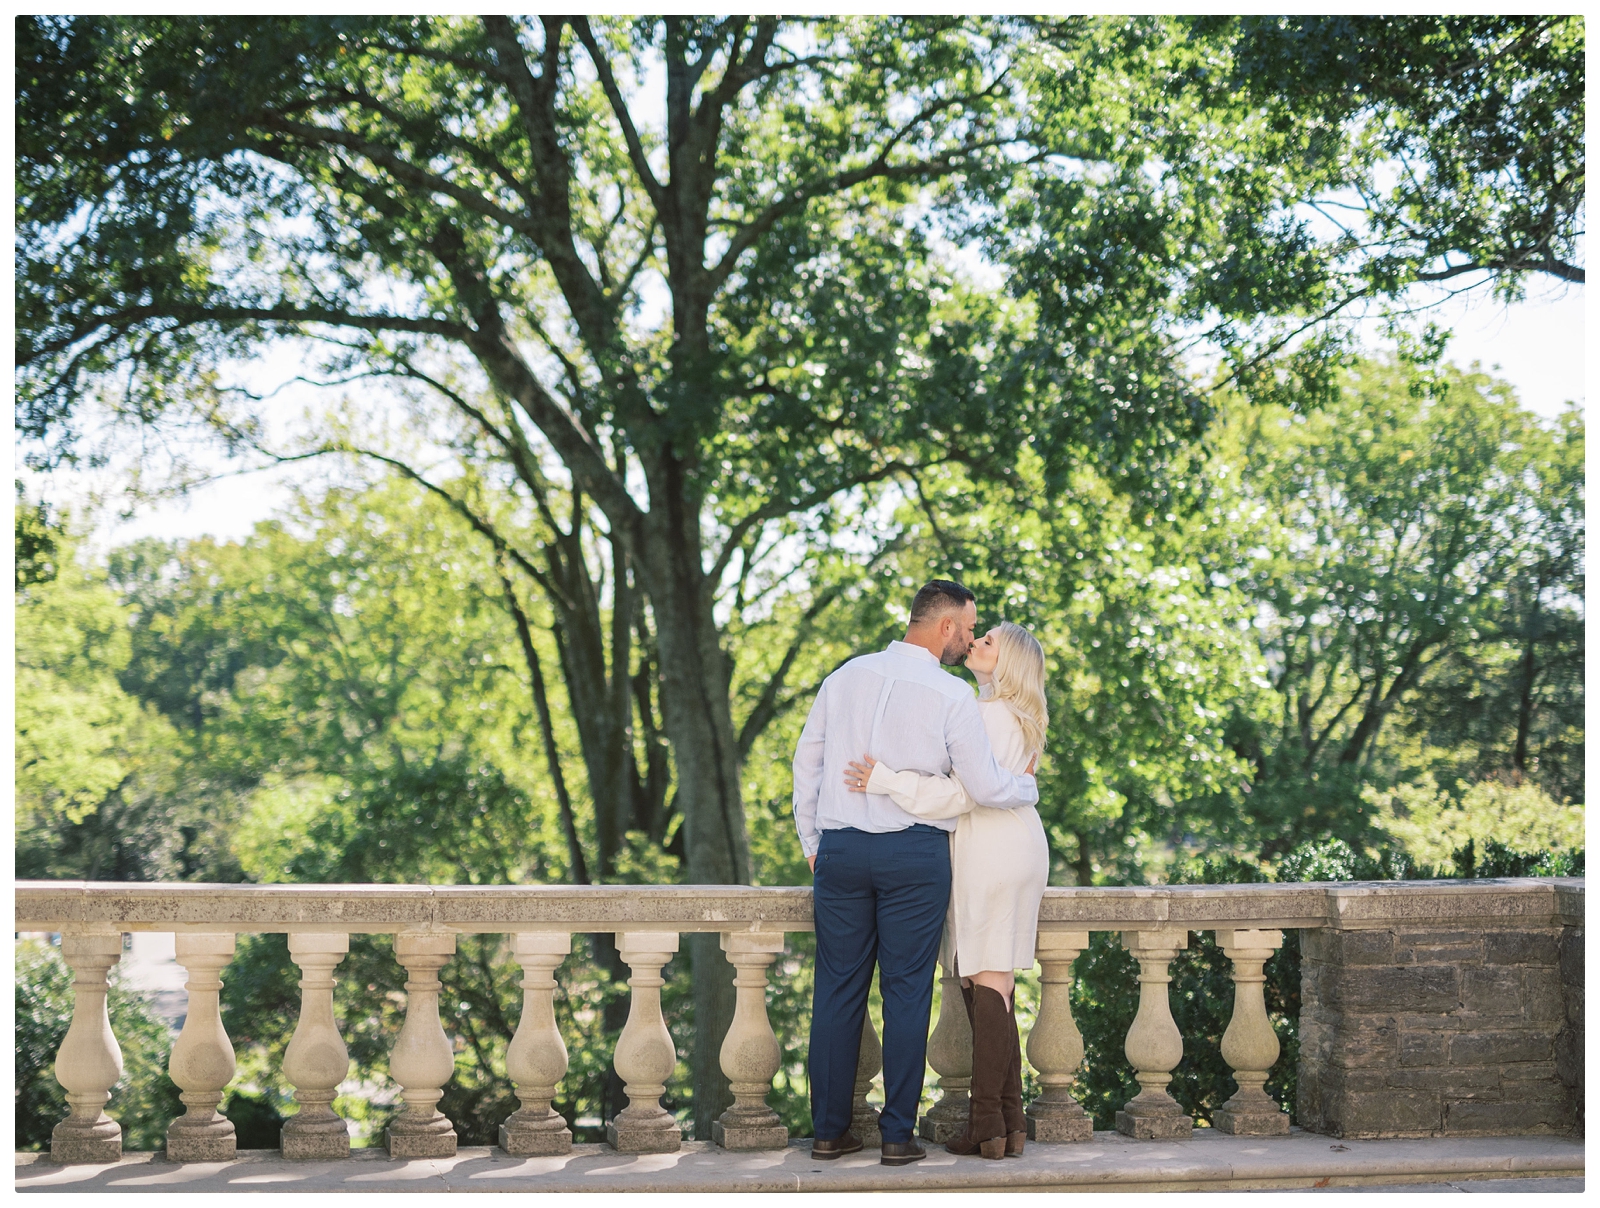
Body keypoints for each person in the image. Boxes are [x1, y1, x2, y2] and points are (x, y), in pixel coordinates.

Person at [792, 581, 1040, 1167]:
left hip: (843, 852)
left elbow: (809, 760)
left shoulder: (844, 676)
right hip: (915, 856)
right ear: (946, 627)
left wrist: (813, 842)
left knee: (836, 990)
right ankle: (897, 1137)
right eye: (969, 626)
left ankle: (828, 1133)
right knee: (906, 993)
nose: (971, 637)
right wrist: (1025, 786)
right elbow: (981, 788)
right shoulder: (951, 696)